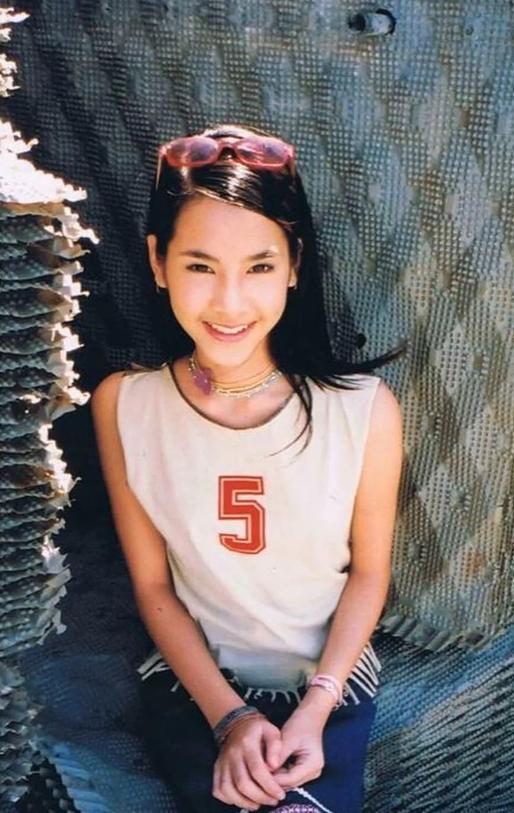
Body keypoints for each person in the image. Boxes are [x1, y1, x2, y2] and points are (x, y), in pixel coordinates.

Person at [91, 122, 405, 813]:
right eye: (200, 266)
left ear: (294, 264)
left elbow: (369, 574)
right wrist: (230, 718)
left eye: (259, 267)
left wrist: (317, 707)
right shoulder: (125, 405)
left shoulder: (363, 410)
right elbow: (154, 586)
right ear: (158, 261)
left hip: (328, 683)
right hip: (197, 684)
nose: (230, 302)